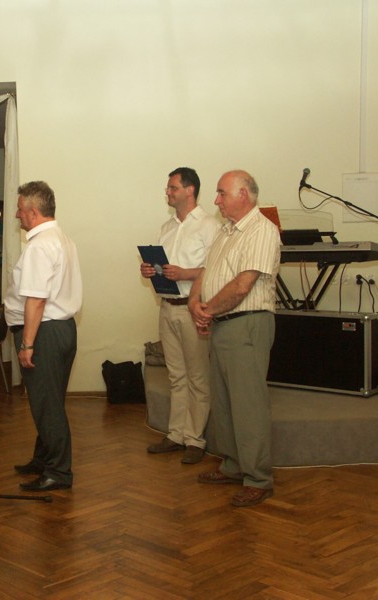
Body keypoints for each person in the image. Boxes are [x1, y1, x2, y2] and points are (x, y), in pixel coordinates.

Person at [189, 170, 281, 507]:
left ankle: (258, 478)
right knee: (225, 403)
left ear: (243, 194)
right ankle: (232, 466)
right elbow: (206, 273)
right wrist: (196, 305)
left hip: (247, 323)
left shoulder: (262, 230)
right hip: (223, 323)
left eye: (221, 193)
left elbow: (243, 285)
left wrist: (208, 310)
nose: (216, 200)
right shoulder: (226, 231)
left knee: (248, 405)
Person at [5, 181, 82, 492]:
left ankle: (58, 472)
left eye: (20, 210)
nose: (16, 215)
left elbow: (36, 300)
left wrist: (27, 343)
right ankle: (44, 458)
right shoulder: (62, 238)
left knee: (47, 406)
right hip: (62, 329)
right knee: (50, 401)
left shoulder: (39, 245)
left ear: (33, 212)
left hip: (43, 333)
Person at [141, 167, 219, 464]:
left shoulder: (209, 226)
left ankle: (195, 440)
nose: (168, 192)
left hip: (192, 308)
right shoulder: (167, 227)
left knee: (198, 377)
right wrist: (150, 270)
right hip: (167, 306)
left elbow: (216, 269)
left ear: (190, 190)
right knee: (176, 375)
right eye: (168, 188)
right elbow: (162, 267)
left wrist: (185, 273)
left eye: (173, 187)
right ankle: (176, 435)